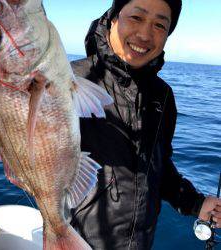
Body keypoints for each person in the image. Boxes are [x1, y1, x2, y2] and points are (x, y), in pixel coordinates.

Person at [69, 0, 221, 249]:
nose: (145, 34)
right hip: (75, 241)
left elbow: (159, 166)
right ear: (114, 17)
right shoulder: (70, 81)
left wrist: (195, 203)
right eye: (136, 18)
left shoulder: (162, 95)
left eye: (160, 25)